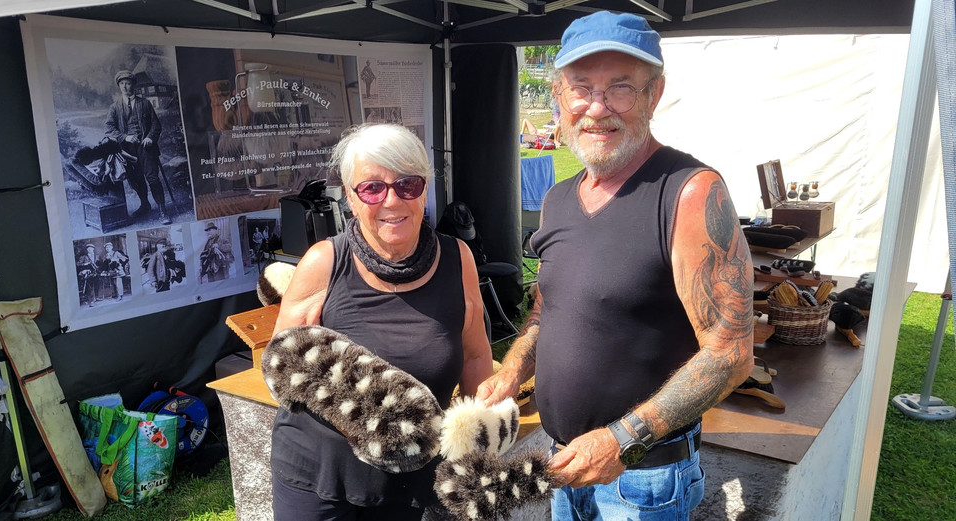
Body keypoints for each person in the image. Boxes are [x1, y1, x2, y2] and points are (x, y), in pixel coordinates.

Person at [476, 12, 754, 521]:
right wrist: (514, 369)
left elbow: (731, 352)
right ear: (560, 95)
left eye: (620, 88)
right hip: (563, 462)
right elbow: (549, 310)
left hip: (641, 479)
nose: (597, 108)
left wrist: (622, 441)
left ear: (655, 94)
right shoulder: (559, 198)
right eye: (581, 87)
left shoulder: (690, 192)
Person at [269, 123, 494, 520]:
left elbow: (476, 358)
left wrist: (481, 444)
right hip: (321, 479)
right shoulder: (324, 262)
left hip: (416, 479)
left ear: (425, 190)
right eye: (372, 188)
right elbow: (281, 368)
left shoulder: (458, 259)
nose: (392, 201)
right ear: (351, 200)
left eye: (408, 184)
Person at [104, 70, 172, 225]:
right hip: (127, 151)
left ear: (133, 85)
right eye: (122, 84)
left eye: (128, 83)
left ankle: (162, 210)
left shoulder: (145, 103)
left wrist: (149, 137)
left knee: (153, 178)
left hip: (146, 148)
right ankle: (145, 205)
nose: (125, 87)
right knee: (135, 180)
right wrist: (125, 137)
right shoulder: (115, 107)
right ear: (119, 86)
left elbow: (156, 124)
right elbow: (109, 128)